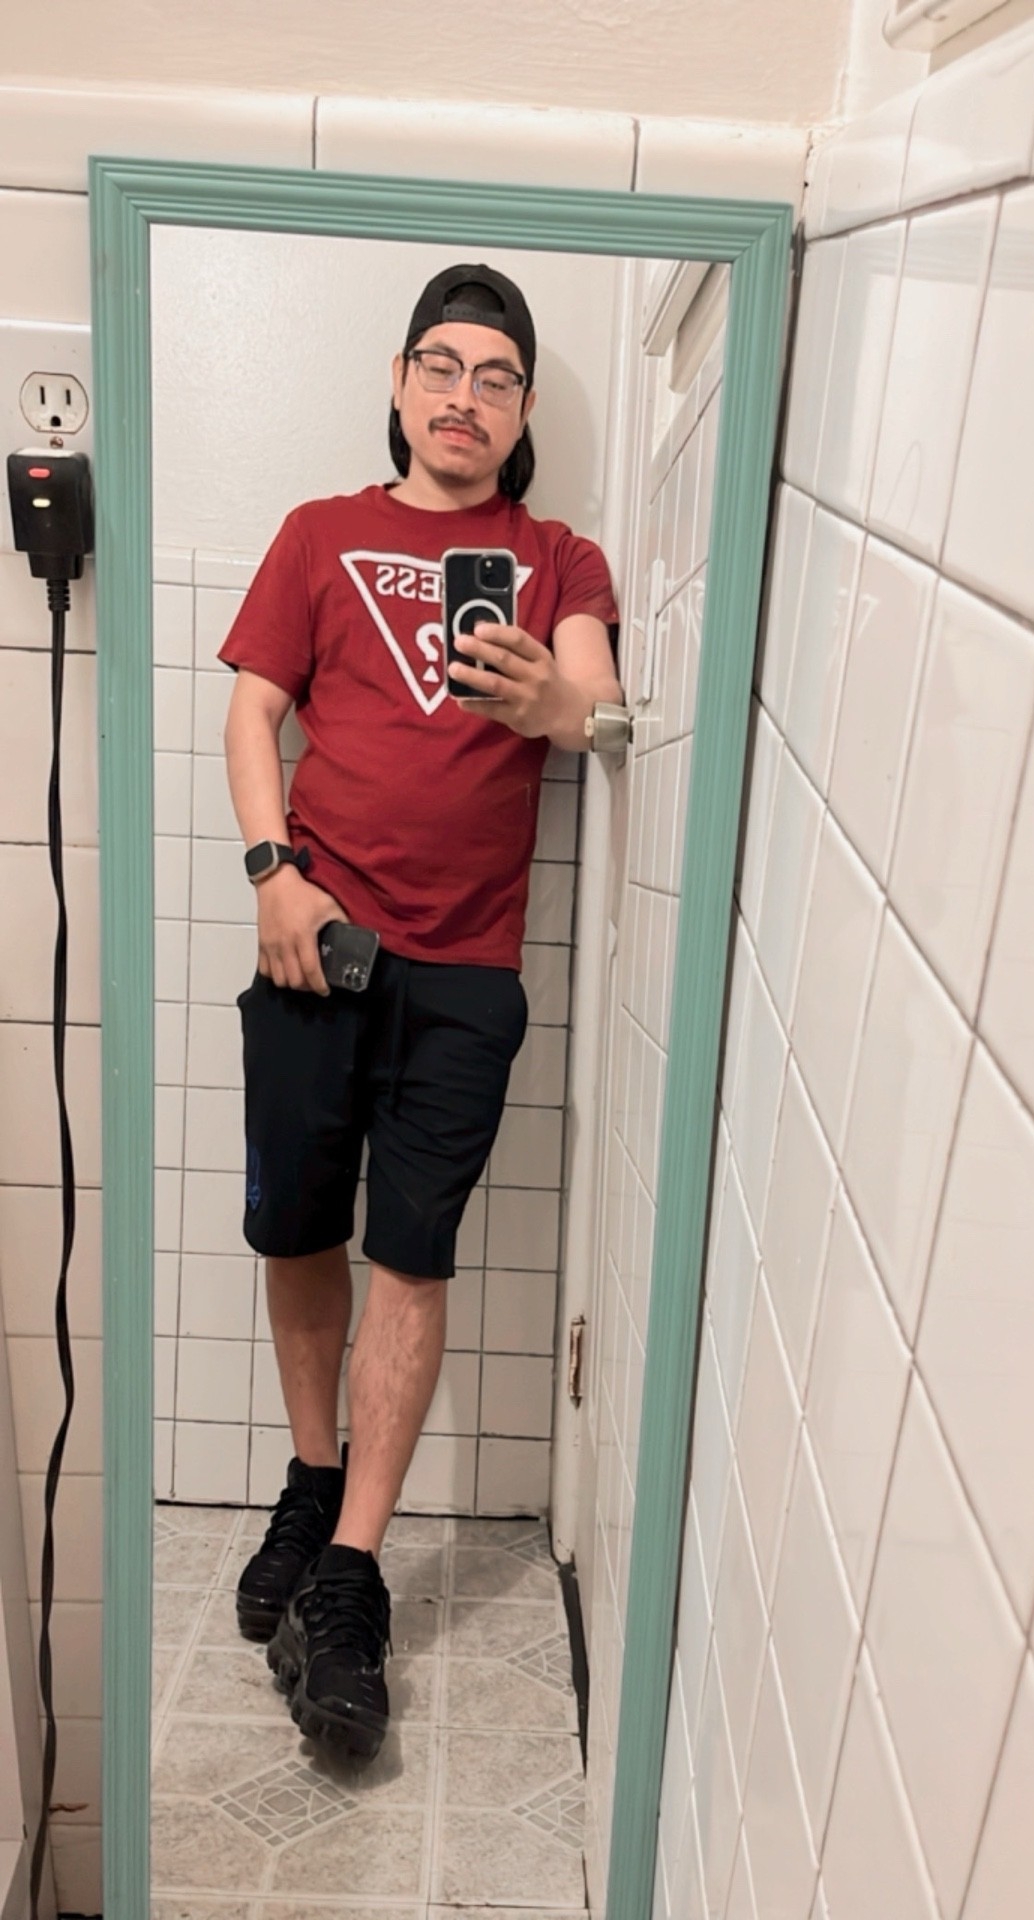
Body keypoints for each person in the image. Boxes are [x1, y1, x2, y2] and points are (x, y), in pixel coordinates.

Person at [218, 261, 621, 1760]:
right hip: (316, 943)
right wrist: (273, 874)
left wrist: (550, 707)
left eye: (495, 376)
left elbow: (596, 711)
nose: (465, 396)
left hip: (467, 974)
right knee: (297, 1230)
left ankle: (351, 1573)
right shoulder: (319, 533)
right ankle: (310, 1477)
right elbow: (254, 708)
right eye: (440, 367)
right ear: (399, 384)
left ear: (522, 409)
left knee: (411, 1256)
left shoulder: (558, 559)